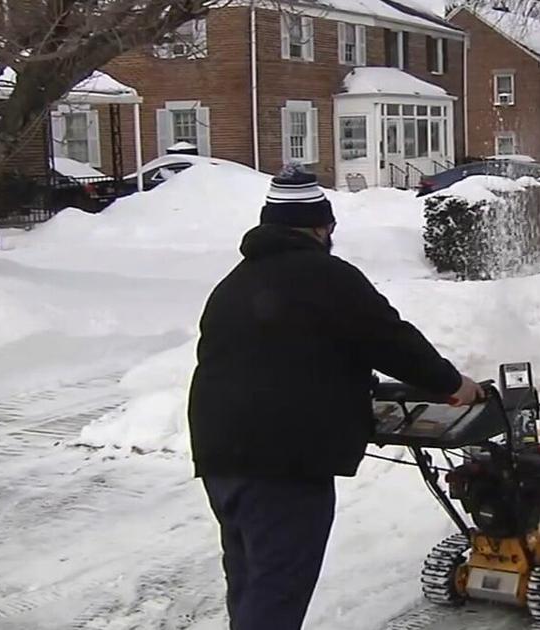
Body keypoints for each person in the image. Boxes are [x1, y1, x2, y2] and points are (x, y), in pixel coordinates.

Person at [187, 166, 482, 630]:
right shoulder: (328, 277)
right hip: (284, 462)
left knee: (250, 579)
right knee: (278, 590)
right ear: (321, 226)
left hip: (220, 454)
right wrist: (452, 385)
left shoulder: (234, 283)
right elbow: (390, 340)